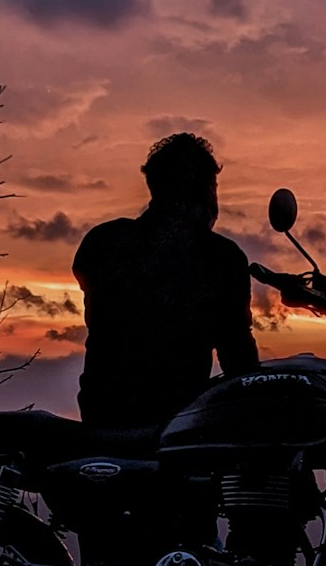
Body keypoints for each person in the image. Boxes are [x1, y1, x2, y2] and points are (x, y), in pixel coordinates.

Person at [72, 132, 259, 430]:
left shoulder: (101, 243)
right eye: (214, 187)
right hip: (175, 426)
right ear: (205, 190)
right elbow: (237, 356)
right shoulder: (221, 257)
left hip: (101, 416)